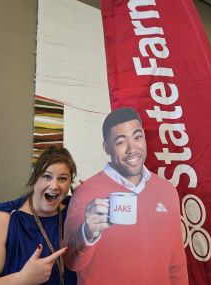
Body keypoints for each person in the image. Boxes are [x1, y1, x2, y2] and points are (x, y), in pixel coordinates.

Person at [63, 107, 189, 285]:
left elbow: (176, 264)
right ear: (106, 148)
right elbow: (70, 260)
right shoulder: (86, 192)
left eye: (137, 137)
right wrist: (87, 232)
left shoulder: (168, 191)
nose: (132, 149)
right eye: (121, 142)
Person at [0, 146, 77, 285]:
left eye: (62, 179)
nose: (54, 186)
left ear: (70, 183)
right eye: (47, 176)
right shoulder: (3, 219)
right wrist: (22, 279)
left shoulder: (75, 212)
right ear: (35, 178)